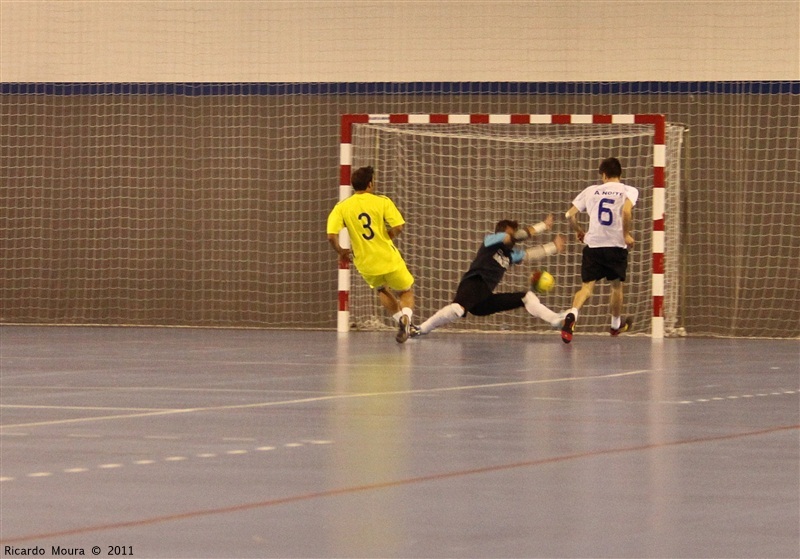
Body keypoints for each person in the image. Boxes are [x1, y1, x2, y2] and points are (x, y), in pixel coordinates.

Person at [412, 216, 566, 336]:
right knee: (457, 309)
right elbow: (514, 236)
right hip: (473, 284)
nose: (513, 236)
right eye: (511, 231)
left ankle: (556, 320)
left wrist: (553, 247)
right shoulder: (490, 241)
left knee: (528, 297)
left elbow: (529, 254)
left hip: (484, 299)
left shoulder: (510, 255)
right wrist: (543, 226)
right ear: (502, 232)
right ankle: (421, 329)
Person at [326, 165, 417, 343]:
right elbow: (398, 227)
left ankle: (401, 321)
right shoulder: (382, 201)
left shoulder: (342, 207)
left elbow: (331, 236)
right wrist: (387, 236)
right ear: (370, 184)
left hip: (365, 263)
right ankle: (406, 317)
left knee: (382, 289)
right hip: (387, 257)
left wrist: (341, 251)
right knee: (406, 290)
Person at [560, 157, 638, 344]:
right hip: (615, 246)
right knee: (616, 286)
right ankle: (615, 324)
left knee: (586, 288)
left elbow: (569, 215)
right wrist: (626, 234)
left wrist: (580, 231)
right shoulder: (628, 190)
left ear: (603, 175)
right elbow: (626, 212)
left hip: (593, 245)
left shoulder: (591, 191)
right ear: (620, 173)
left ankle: (572, 314)